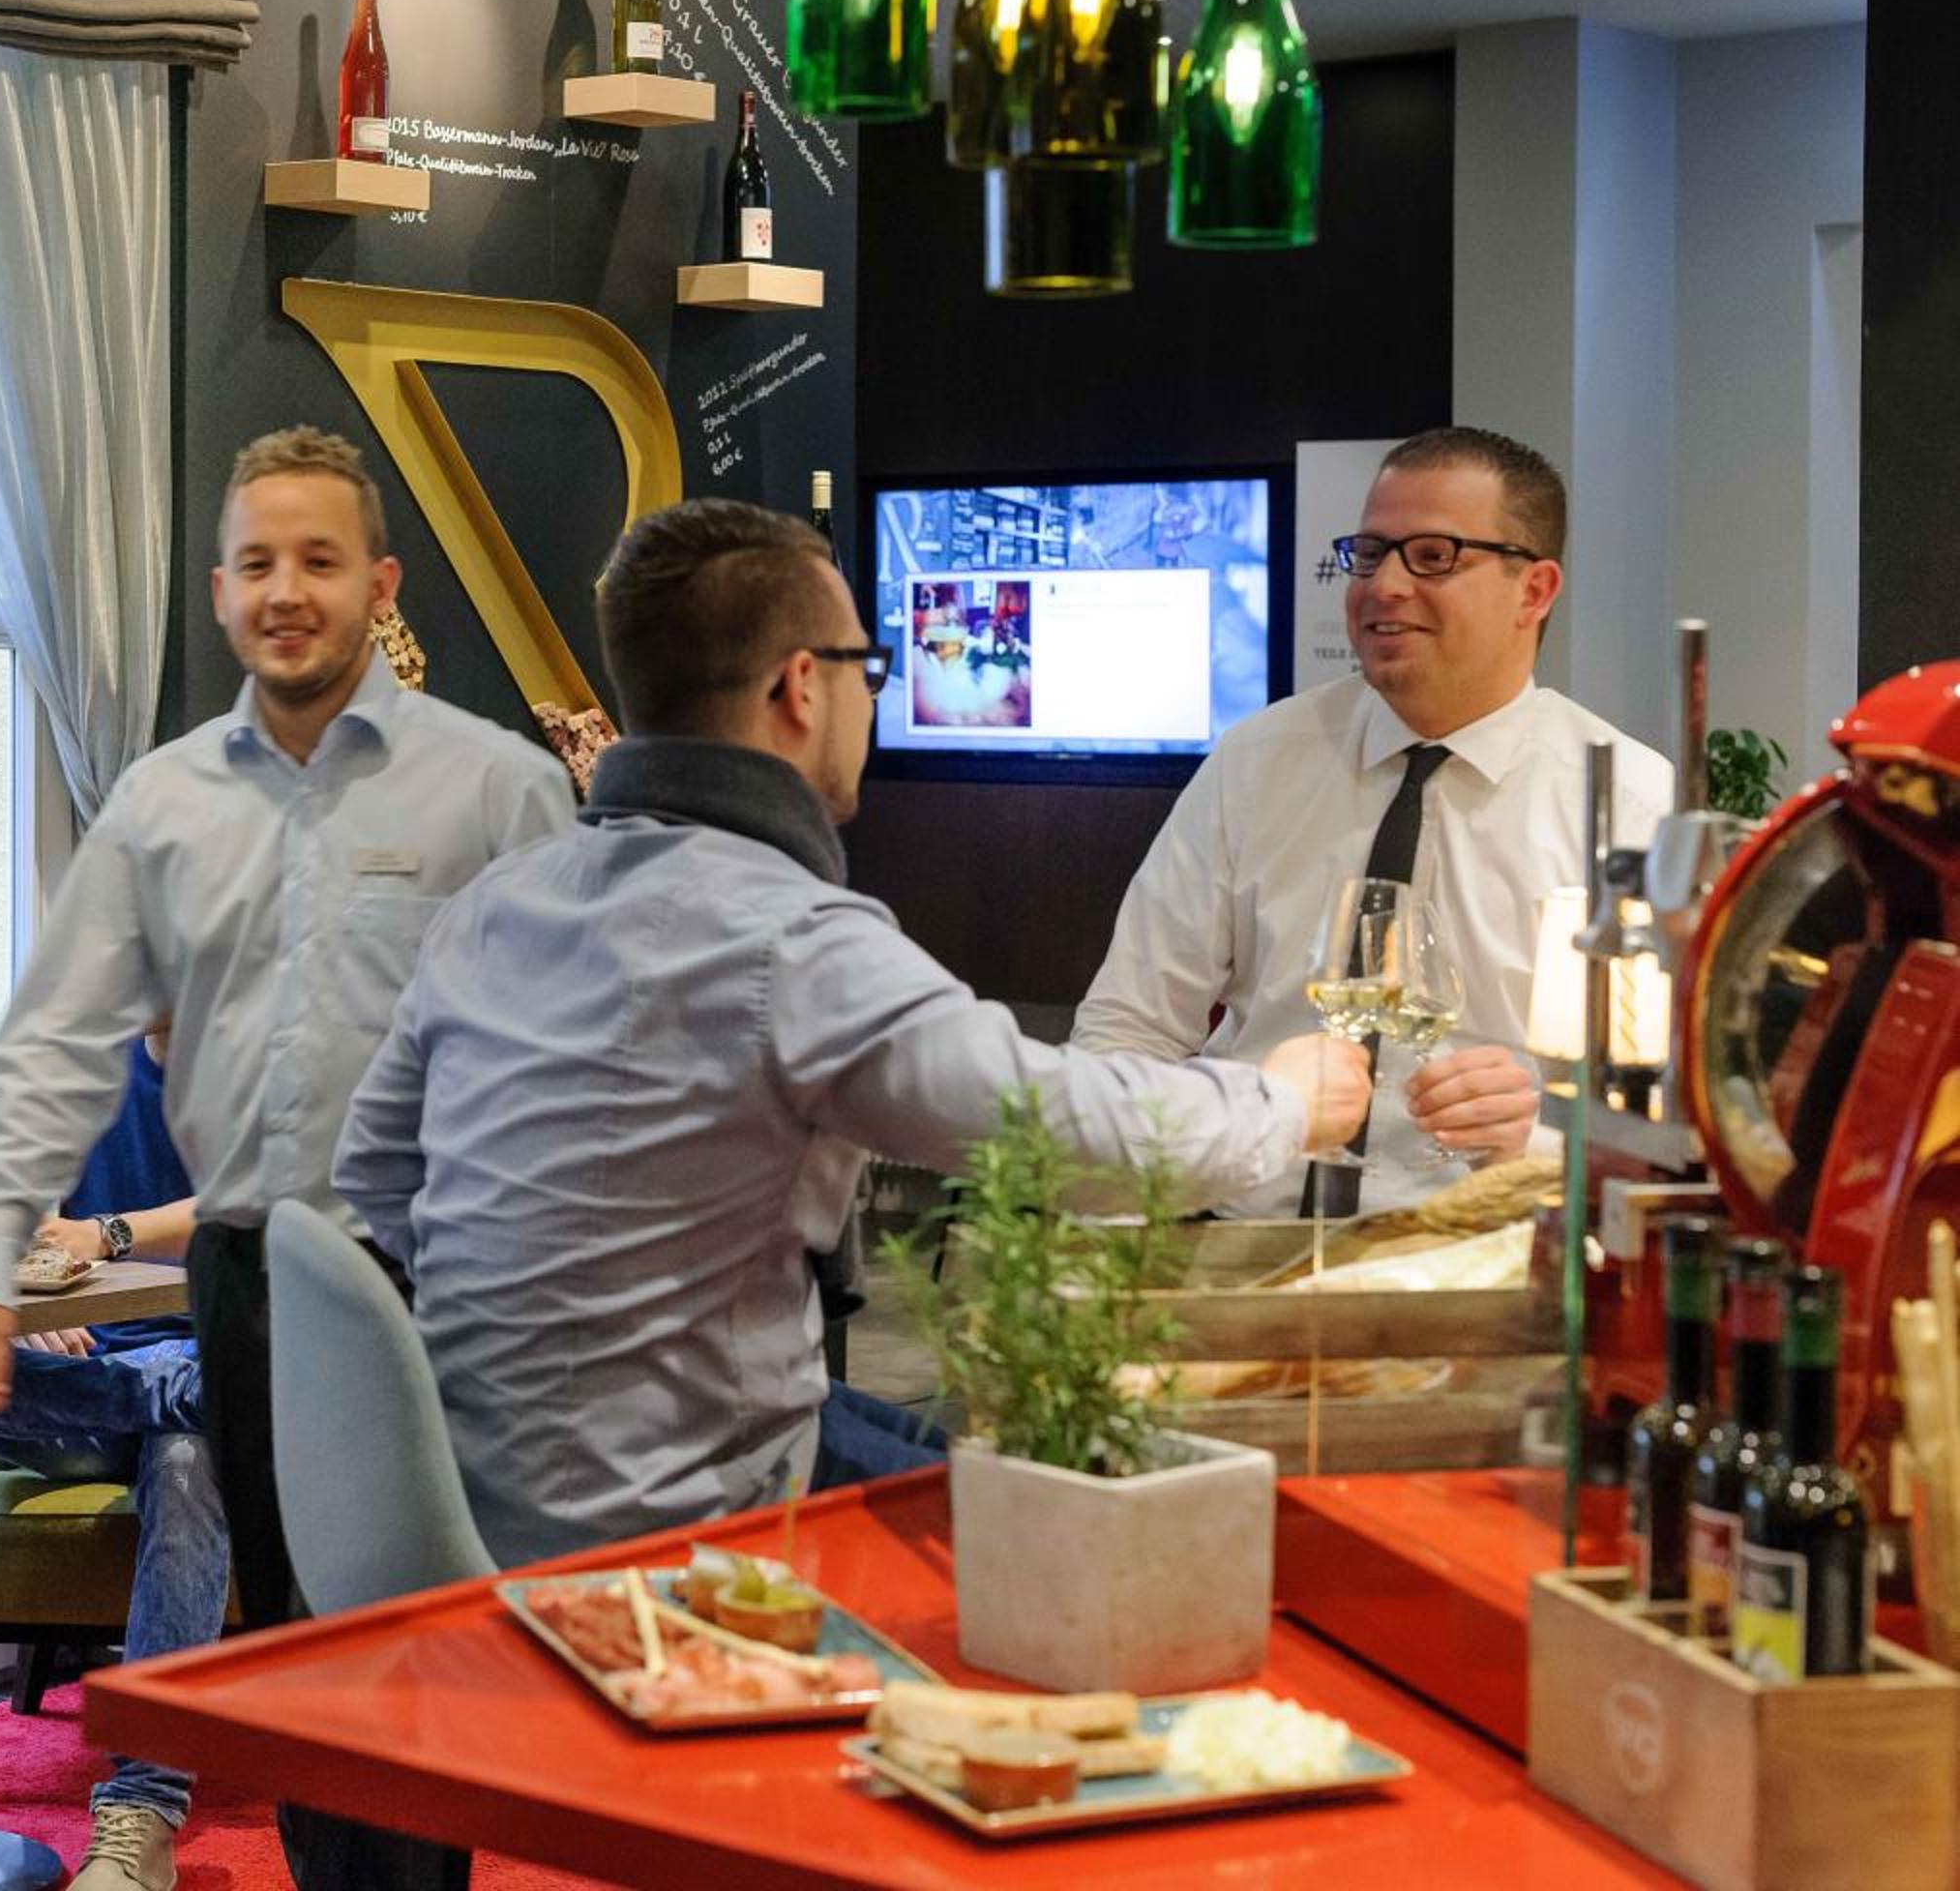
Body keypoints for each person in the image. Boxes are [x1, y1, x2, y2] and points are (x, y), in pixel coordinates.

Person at [331, 498, 1370, 1569]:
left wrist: (555, 1332)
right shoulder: (792, 941)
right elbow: (1057, 1134)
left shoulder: (494, 904)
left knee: (959, 1448)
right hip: (686, 1512)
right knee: (1100, 1535)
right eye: (868, 672)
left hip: (473, 1483)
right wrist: (1286, 1099)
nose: (871, 701)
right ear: (800, 687)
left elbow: (373, 1169)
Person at [0, 426, 573, 1890]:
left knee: (415, 1640)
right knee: (293, 1651)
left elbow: (580, 1049)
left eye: (320, 560)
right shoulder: (161, 804)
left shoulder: (498, 788)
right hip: (247, 1274)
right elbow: (56, 1039)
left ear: (379, 585)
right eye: (259, 563)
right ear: (221, 591)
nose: (288, 590)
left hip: (441, 1272)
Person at [1075, 426, 1675, 1217]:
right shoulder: (1258, 762)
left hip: (1497, 1245)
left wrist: (1541, 1137)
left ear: (1534, 591)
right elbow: (1128, 1030)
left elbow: (1673, 1116)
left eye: (1432, 556)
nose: (1383, 585)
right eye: (1368, 554)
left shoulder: (1626, 802)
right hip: (1251, 1241)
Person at [0, 1035, 224, 1891]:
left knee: (186, 1458)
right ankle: (173, 1396)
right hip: (88, 1393)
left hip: (199, 1355)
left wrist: (106, 1235)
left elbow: (267, 1205)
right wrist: (14, 1293)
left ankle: (143, 1812)